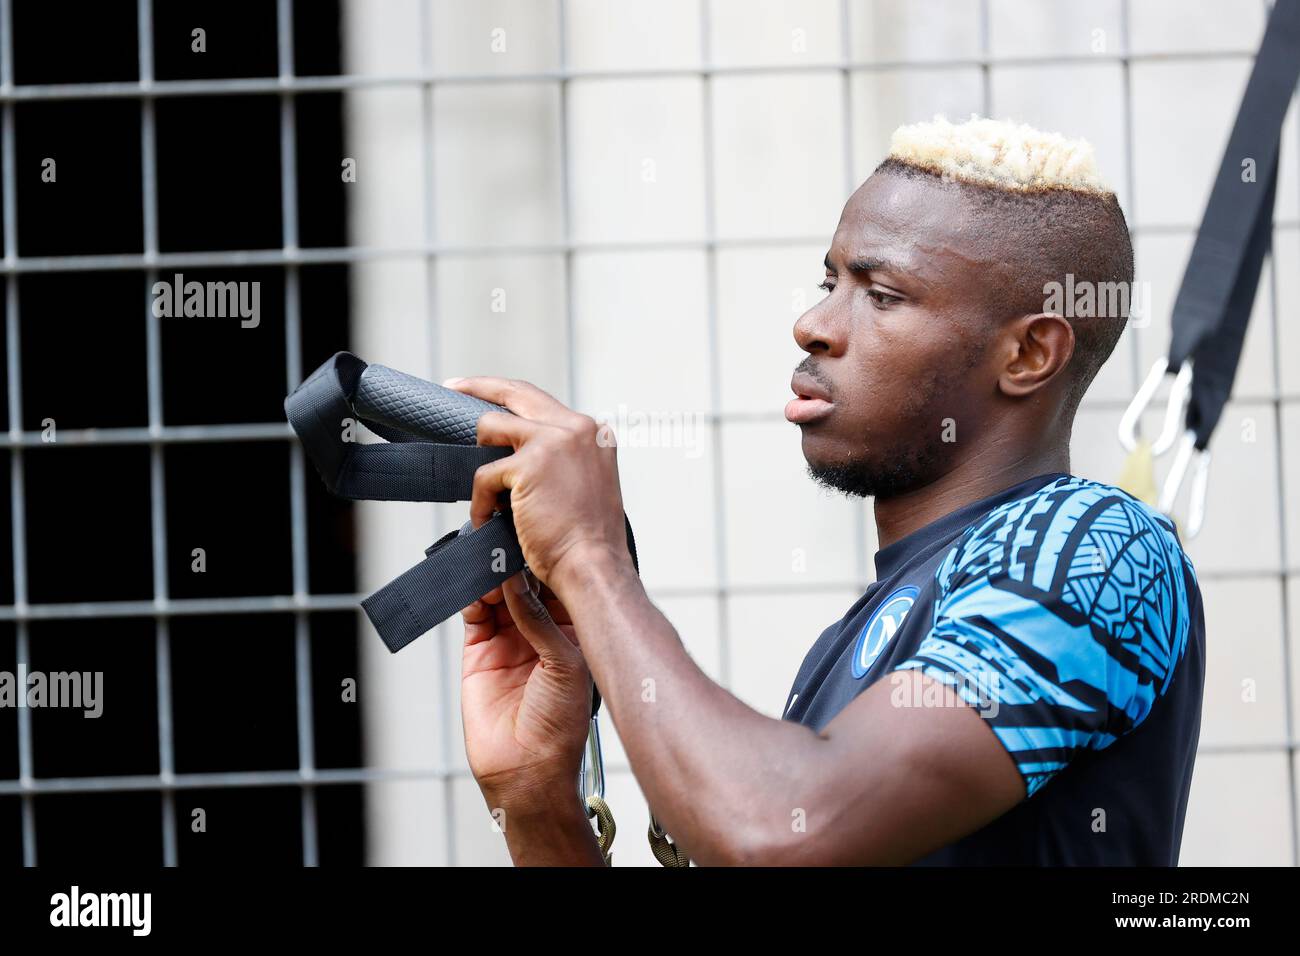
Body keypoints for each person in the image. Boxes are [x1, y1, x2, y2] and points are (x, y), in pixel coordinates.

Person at [451, 116, 1205, 866]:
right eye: (829, 281)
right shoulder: (855, 644)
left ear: (1029, 354)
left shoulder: (1097, 549)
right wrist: (538, 802)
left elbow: (779, 833)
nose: (813, 324)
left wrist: (589, 557)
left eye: (881, 294)